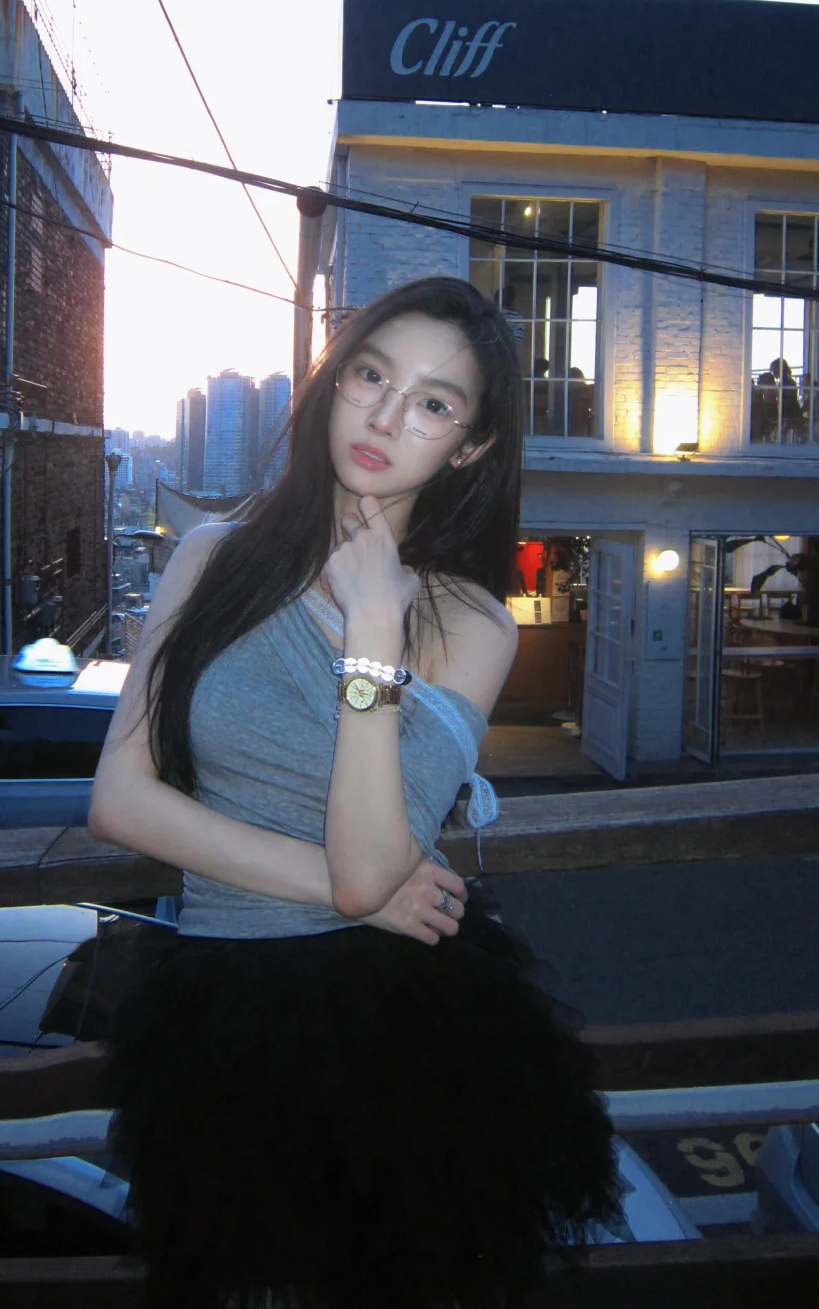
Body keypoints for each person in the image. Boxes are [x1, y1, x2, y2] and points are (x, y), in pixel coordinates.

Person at [90, 277, 620, 1309]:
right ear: (334, 382)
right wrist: (350, 890)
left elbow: (373, 866)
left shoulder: (471, 622)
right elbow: (120, 796)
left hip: (399, 1034)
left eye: (433, 402)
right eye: (372, 376)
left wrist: (374, 634)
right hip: (217, 1014)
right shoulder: (212, 558)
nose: (385, 416)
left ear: (469, 446)